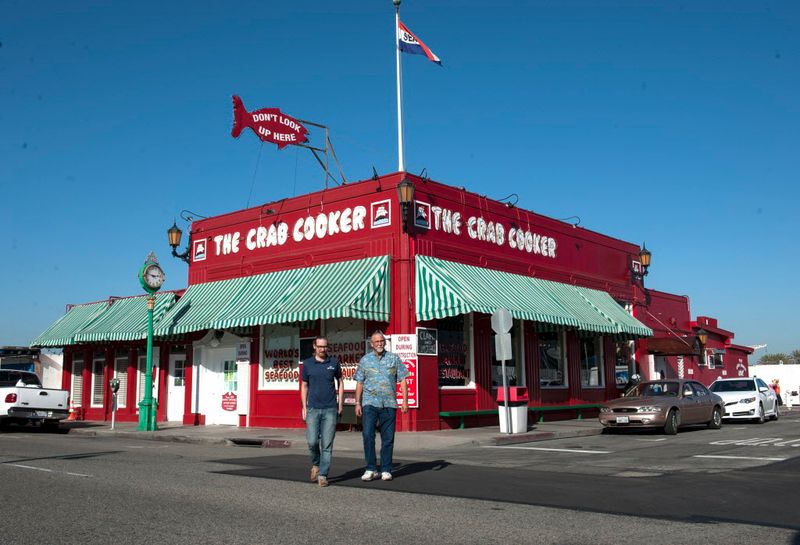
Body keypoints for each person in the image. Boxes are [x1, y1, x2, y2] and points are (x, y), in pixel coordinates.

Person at [354, 331, 409, 482]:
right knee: (367, 436)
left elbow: (403, 379)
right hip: (369, 403)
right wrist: (357, 403)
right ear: (371, 344)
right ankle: (371, 468)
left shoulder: (394, 358)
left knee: (388, 438)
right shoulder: (365, 360)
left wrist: (405, 401)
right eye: (376, 341)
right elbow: (359, 382)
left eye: (381, 341)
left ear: (384, 342)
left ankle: (385, 469)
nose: (379, 343)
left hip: (389, 403)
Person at [300, 336, 343, 487]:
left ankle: (323, 475)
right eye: (320, 346)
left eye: (325, 346)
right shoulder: (307, 364)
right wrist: (304, 407)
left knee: (327, 444)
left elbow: (340, 382)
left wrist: (340, 403)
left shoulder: (334, 363)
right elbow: (304, 385)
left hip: (330, 408)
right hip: (312, 408)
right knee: (312, 442)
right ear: (314, 346)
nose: (323, 349)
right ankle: (316, 465)